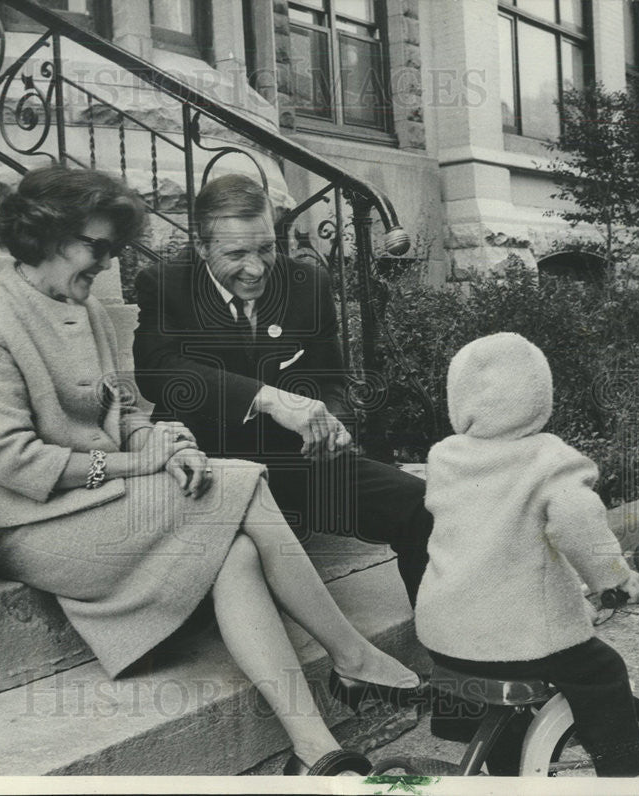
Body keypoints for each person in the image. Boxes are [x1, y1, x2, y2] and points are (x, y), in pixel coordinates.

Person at [0, 164, 424, 776]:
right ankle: (351, 654)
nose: (109, 262)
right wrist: (131, 465)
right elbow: (15, 465)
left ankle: (315, 750)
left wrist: (166, 441)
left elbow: (123, 412)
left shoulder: (79, 306)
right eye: (98, 247)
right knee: (240, 484)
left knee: (239, 551)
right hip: (28, 523)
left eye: (114, 248)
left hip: (99, 492)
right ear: (44, 234)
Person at [132, 173, 433, 609]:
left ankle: (447, 662)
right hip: (209, 469)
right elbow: (160, 372)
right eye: (235, 253)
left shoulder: (307, 284)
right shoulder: (166, 284)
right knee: (244, 559)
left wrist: (333, 425)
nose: (255, 268)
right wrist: (269, 399)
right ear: (201, 248)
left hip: (298, 461)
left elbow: (332, 380)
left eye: (266, 248)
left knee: (420, 506)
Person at [414, 332, 639, 777]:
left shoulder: (445, 459)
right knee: (599, 669)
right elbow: (579, 526)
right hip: (517, 637)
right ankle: (624, 769)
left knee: (502, 675)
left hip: (444, 633)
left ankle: (501, 762)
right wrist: (617, 580)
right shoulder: (550, 461)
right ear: (538, 399)